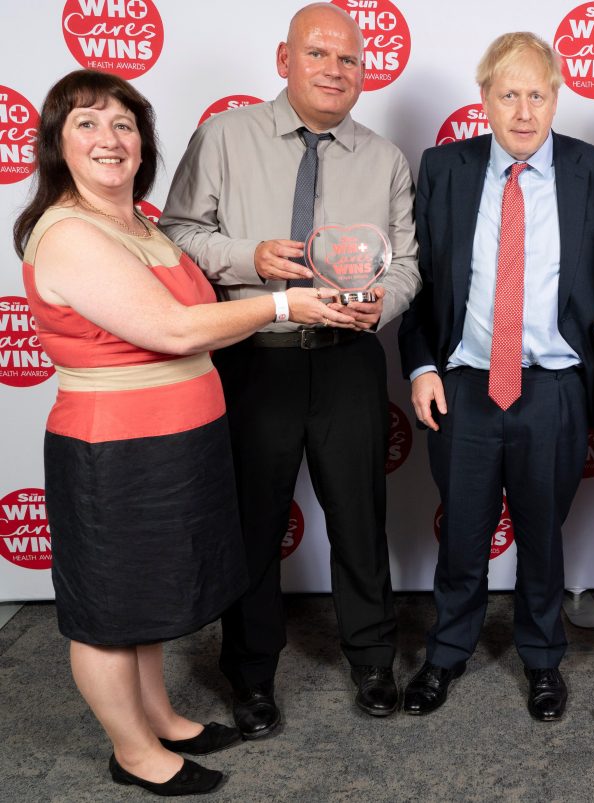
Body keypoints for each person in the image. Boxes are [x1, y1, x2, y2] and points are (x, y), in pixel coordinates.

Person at [14, 70, 331, 796]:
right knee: (106, 609)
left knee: (148, 592)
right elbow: (173, 327)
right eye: (87, 123)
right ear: (57, 144)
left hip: (179, 438)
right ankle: (131, 750)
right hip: (112, 448)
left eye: (123, 124)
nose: (109, 138)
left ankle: (157, 712)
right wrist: (284, 303)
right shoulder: (66, 231)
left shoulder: (142, 223)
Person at [160, 3, 420, 735]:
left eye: (349, 60)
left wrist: (381, 308)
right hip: (254, 356)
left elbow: (407, 263)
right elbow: (178, 231)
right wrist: (249, 259)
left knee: (361, 520)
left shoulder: (385, 157)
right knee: (252, 523)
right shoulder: (224, 137)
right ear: (284, 60)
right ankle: (249, 676)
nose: (335, 70)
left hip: (348, 361)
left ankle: (372, 660)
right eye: (319, 55)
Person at [398, 31, 594, 721]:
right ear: (485, 99)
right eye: (508, 94)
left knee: (542, 534)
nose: (523, 110)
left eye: (536, 93)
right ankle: (446, 652)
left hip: (554, 388)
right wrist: (420, 363)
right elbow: (419, 280)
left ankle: (541, 657)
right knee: (462, 532)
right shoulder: (444, 168)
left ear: (555, 97)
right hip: (464, 386)